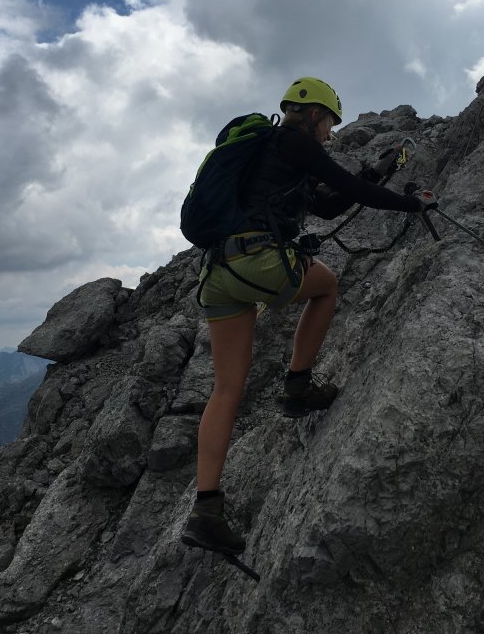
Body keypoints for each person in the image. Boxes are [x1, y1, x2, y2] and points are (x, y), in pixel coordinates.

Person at [180, 77, 435, 556]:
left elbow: (331, 202)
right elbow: (348, 186)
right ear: (316, 115)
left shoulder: (267, 153)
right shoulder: (295, 141)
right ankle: (297, 385)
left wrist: (379, 173)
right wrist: (410, 203)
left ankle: (206, 510)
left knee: (226, 388)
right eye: (330, 123)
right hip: (258, 261)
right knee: (327, 284)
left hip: (218, 271)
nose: (330, 134)